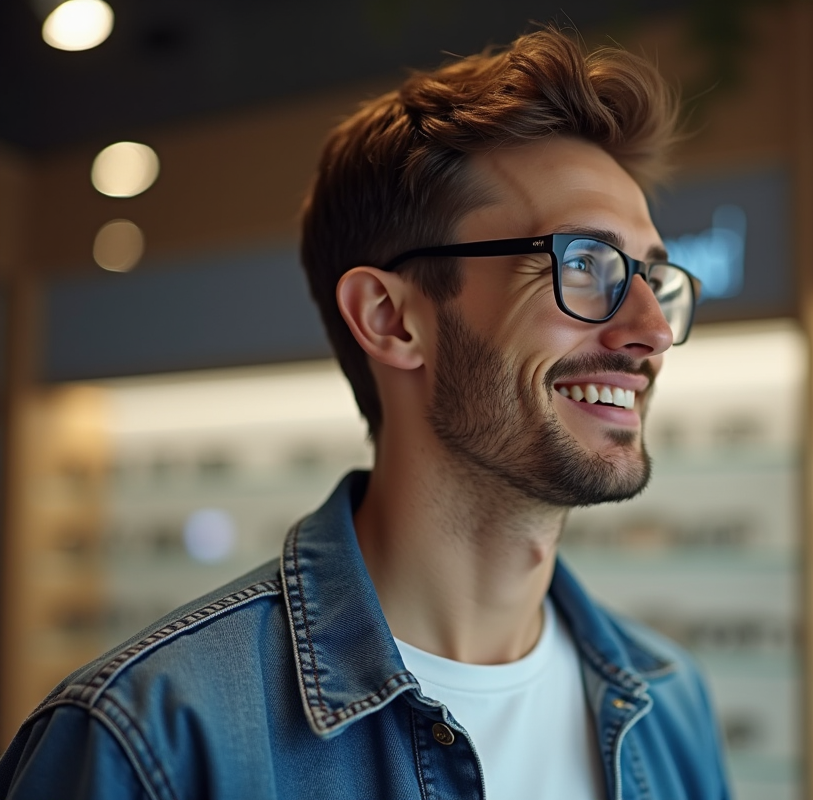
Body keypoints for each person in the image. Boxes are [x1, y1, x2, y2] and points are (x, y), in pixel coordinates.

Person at [0, 26, 730, 800]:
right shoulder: (147, 743)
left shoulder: (669, 702)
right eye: (584, 263)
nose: (652, 331)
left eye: (654, 277)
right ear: (389, 318)